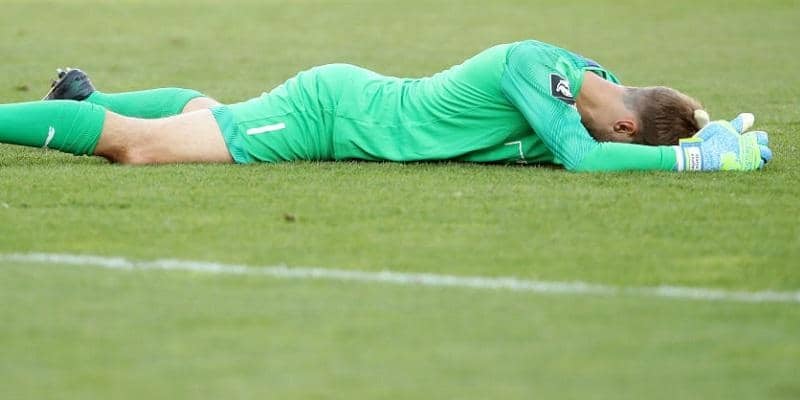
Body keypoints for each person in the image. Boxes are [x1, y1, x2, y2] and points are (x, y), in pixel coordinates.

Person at [0, 40, 771, 172]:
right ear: (622, 124)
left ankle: (86, 98)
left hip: (347, 102)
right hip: (329, 116)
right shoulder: (536, 73)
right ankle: (83, 115)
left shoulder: (595, 84)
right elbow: (582, 155)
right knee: (138, 146)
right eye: (621, 140)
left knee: (210, 111)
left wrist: (697, 130)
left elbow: (616, 126)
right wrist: (690, 164)